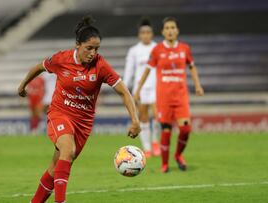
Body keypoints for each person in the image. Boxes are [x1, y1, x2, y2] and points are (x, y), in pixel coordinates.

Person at [18, 16, 140, 203]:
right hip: (59, 113)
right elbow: (39, 67)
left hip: (83, 123)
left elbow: (124, 92)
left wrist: (135, 120)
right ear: (78, 45)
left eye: (96, 49)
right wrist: (22, 85)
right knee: (68, 149)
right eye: (89, 48)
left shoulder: (100, 66)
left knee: (55, 167)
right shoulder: (61, 59)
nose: (93, 53)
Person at [134, 17, 204, 173]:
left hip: (181, 97)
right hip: (164, 98)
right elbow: (146, 70)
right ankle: (164, 165)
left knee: (185, 129)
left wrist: (198, 85)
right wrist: (138, 90)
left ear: (177, 30)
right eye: (167, 28)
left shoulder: (184, 48)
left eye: (173, 27)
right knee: (166, 130)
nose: (170, 30)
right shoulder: (158, 50)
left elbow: (192, 67)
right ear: (163, 32)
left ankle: (178, 155)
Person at [123, 17, 160, 158]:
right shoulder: (134, 51)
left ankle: (155, 142)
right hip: (141, 88)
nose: (145, 35)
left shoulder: (157, 48)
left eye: (148, 32)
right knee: (143, 117)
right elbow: (129, 70)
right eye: (143, 32)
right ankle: (147, 148)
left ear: (152, 33)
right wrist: (126, 89)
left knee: (158, 117)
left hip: (156, 87)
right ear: (139, 34)